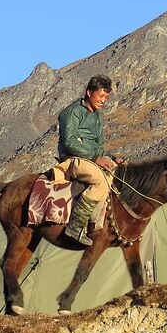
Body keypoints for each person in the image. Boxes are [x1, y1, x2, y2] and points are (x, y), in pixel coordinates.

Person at [54, 75, 124, 245]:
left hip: (91, 160)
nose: (103, 100)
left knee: (120, 175)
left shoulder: (98, 116)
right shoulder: (71, 112)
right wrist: (95, 158)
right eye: (101, 96)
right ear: (89, 93)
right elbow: (69, 142)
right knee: (100, 181)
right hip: (72, 160)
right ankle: (76, 225)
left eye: (106, 97)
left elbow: (99, 147)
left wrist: (113, 158)